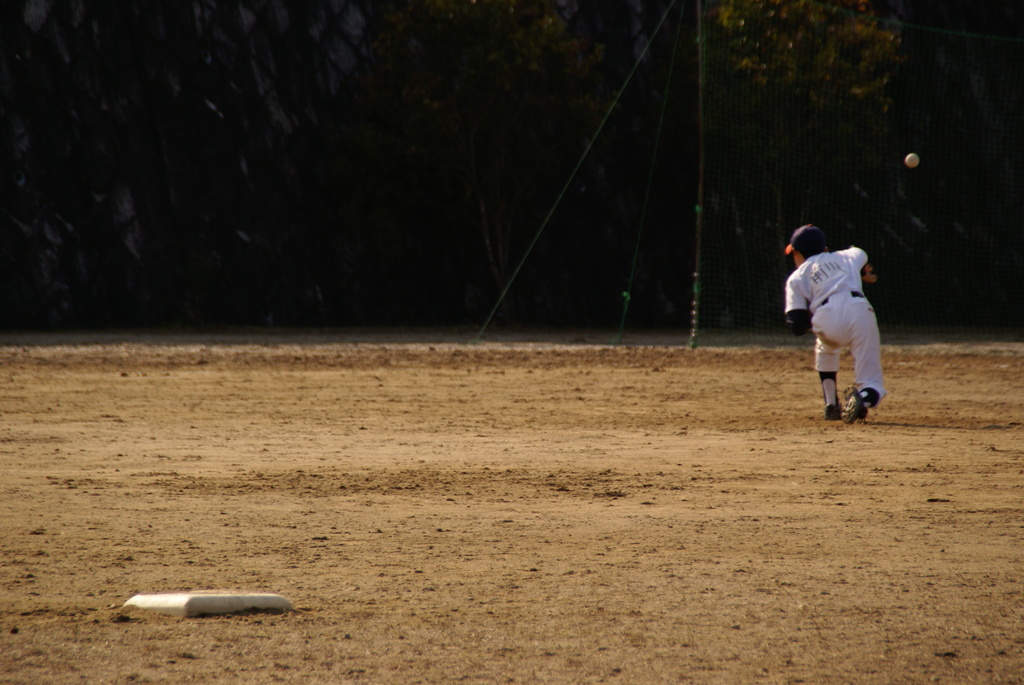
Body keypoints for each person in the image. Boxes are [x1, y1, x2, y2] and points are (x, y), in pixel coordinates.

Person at [783, 224, 886, 423]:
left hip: (826, 315)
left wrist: (813, 322)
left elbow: (796, 325)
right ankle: (863, 399)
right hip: (860, 310)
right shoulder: (846, 256)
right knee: (871, 380)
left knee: (825, 345)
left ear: (796, 253)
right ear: (825, 249)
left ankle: (831, 405)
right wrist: (861, 271)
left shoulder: (796, 277)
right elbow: (861, 253)